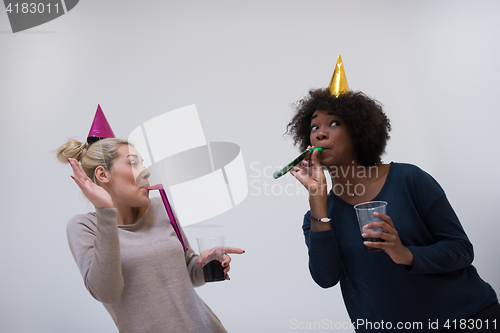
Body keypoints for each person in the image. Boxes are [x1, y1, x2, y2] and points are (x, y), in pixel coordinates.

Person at [286, 86, 499, 332]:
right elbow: (325, 278)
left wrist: (405, 254)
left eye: (334, 123)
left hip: (468, 319)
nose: (321, 134)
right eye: (314, 127)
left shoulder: (409, 179)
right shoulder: (316, 218)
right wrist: (317, 200)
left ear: (357, 131)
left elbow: (462, 250)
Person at [57, 131, 243, 332]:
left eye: (142, 164)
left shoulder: (160, 207)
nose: (145, 172)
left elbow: (188, 271)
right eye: (133, 163)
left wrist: (204, 264)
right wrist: (105, 213)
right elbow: (107, 293)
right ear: (103, 175)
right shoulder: (84, 227)